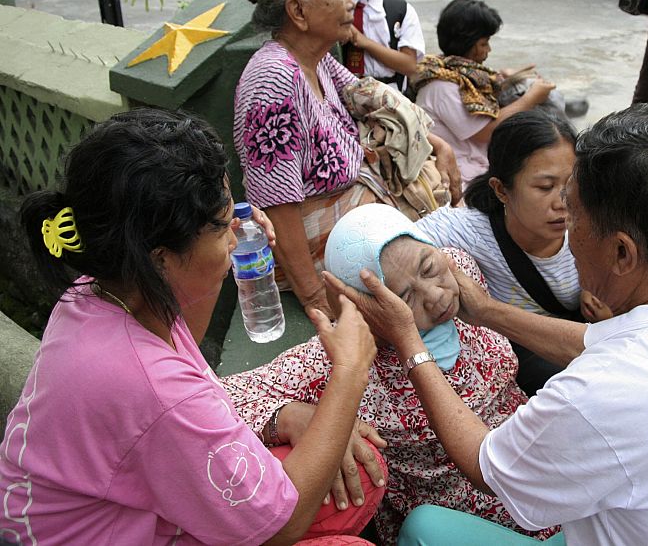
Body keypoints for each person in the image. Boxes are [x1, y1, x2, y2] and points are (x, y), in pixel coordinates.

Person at [329, 105, 648, 545]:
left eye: (575, 214)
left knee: (424, 526)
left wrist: (410, 342)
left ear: (622, 253)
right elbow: (597, 343)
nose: (565, 230)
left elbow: (485, 465)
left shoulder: (600, 395)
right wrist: (487, 311)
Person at [0, 109, 387, 544]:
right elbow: (283, 525)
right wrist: (350, 374)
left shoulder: (102, 289)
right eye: (222, 226)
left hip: (114, 516)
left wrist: (221, 252)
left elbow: (187, 357)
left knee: (355, 474)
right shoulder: (153, 388)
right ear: (160, 258)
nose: (237, 233)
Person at [223, 203, 559, 545]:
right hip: (463, 521)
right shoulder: (342, 358)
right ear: (363, 308)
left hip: (545, 470)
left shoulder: (460, 270)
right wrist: (290, 417)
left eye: (428, 267)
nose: (436, 295)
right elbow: (221, 395)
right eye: (403, 296)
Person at [234, 0, 459, 320]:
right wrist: (315, 300)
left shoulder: (317, 61)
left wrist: (437, 144)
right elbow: (278, 206)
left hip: (358, 217)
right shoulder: (273, 79)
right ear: (298, 12)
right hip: (321, 246)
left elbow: (367, 99)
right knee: (438, 279)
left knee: (454, 251)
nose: (347, 1)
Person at [415, 109, 609, 394]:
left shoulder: (596, 216)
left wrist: (611, 299)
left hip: (587, 343)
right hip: (526, 358)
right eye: (545, 187)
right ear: (501, 190)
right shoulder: (468, 230)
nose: (563, 202)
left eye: (570, 184)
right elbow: (383, 245)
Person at [411, 0, 557, 189]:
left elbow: (489, 89)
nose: (488, 49)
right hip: (463, 175)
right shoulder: (441, 86)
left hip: (477, 163)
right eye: (483, 43)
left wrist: (506, 80)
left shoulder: (463, 73)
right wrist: (530, 98)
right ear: (468, 43)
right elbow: (484, 133)